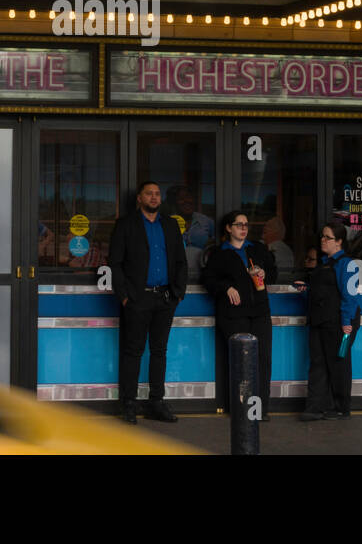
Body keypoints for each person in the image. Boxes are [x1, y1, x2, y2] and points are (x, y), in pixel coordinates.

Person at [108, 181, 188, 424]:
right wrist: (124, 296)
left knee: (159, 351)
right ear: (139, 199)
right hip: (137, 298)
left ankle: (156, 402)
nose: (154, 197)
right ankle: (129, 404)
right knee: (133, 351)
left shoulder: (171, 225)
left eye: (157, 193)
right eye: (149, 194)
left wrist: (178, 293)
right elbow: (116, 263)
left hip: (165, 297)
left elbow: (181, 262)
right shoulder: (125, 225)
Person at [203, 210, 277, 418]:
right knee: (240, 361)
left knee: (262, 360)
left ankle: (259, 410)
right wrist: (226, 287)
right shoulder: (219, 253)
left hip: (260, 312)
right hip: (233, 315)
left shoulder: (258, 249)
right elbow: (208, 279)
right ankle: (241, 409)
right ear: (228, 228)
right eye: (238, 224)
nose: (243, 228)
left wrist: (264, 273)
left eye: (245, 225)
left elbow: (274, 272)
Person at [296, 220, 360, 421]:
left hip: (339, 322)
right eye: (322, 236)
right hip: (319, 321)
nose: (322, 240)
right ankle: (315, 407)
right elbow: (323, 293)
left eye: (327, 237)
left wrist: (346, 322)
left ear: (339, 242)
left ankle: (340, 407)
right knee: (317, 364)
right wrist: (307, 289)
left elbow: (350, 296)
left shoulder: (347, 264)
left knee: (338, 364)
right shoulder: (323, 263)